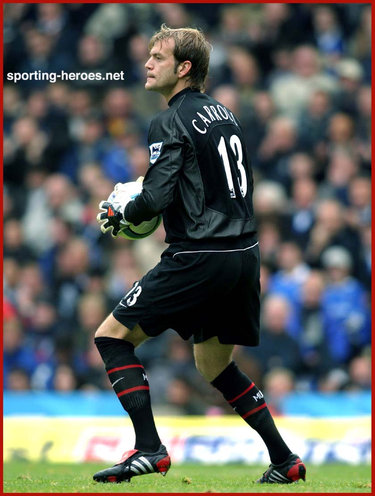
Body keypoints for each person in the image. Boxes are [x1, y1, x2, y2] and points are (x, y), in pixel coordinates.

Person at [94, 25, 306, 485]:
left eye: (158, 56)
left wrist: (124, 209)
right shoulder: (225, 114)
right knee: (213, 365)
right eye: (148, 55)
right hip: (244, 254)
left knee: (112, 337)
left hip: (200, 254)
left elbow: (154, 199)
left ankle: (149, 448)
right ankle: (285, 459)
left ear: (184, 68)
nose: (148, 63)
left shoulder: (168, 119)